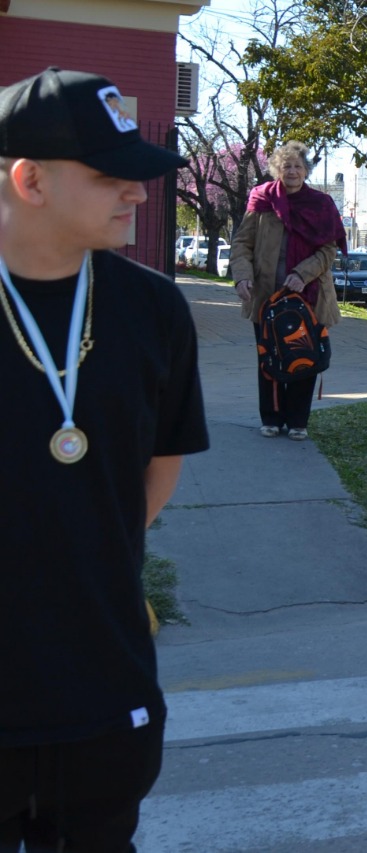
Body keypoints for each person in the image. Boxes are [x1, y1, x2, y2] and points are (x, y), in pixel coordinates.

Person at [0, 67, 209, 850]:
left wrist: (82, 538)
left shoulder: (153, 308)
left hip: (106, 688)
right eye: (108, 176)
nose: (139, 193)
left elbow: (158, 466)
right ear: (30, 180)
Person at [229, 140, 345, 441]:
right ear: (276, 170)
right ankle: (270, 418)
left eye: (297, 165)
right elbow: (242, 244)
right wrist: (241, 277)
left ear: (306, 170)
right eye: (286, 166)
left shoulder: (321, 205)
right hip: (266, 296)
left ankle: (297, 421)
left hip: (309, 295)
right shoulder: (261, 200)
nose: (292, 171)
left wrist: (301, 274)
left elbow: (328, 250)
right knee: (269, 357)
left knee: (304, 356)